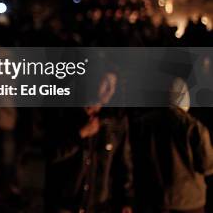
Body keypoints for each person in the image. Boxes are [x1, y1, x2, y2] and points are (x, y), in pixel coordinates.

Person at [45, 73, 133, 213]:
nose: (108, 90)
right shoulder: (66, 113)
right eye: (105, 83)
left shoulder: (115, 122)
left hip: (97, 205)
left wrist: (125, 200)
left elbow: (122, 163)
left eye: (113, 85)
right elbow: (51, 154)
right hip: (65, 203)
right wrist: (81, 134)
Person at [130, 78, 213, 213]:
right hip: (189, 202)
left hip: (155, 200)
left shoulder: (143, 124)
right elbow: (207, 165)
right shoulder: (193, 127)